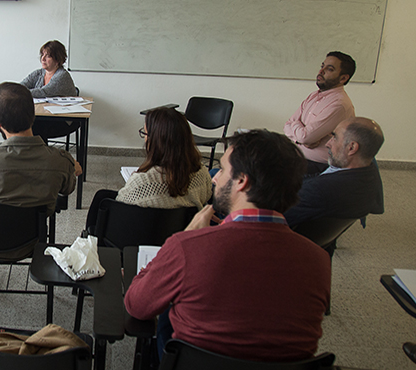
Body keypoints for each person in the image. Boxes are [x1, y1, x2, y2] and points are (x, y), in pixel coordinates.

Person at [124, 130, 331, 363]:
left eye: (222, 169)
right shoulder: (319, 260)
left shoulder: (188, 247)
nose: (215, 178)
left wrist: (185, 238)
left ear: (242, 181)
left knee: (167, 314)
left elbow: (137, 305)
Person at [0, 82, 82, 289]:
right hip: (31, 243)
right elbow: (67, 189)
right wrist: (73, 170)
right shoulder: (60, 162)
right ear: (33, 116)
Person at [84, 107, 212, 233]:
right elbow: (205, 197)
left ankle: (91, 237)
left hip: (134, 241)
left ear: (155, 140)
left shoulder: (142, 182)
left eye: (145, 134)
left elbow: (122, 205)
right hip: (180, 235)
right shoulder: (202, 174)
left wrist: (135, 180)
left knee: (103, 200)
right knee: (103, 195)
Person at [284, 116, 385, 227]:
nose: (328, 143)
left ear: (352, 147)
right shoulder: (370, 175)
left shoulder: (319, 190)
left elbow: (274, 219)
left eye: (335, 138)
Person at [284, 51, 356, 174]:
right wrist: (300, 136)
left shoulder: (339, 104)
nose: (321, 71)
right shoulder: (314, 96)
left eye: (330, 69)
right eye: (322, 66)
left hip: (316, 165)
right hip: (299, 156)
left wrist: (299, 130)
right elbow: (287, 125)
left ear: (343, 78)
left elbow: (306, 137)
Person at [19, 40, 78, 143]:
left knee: (31, 125)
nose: (43, 59)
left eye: (48, 56)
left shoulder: (62, 76)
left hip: (63, 120)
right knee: (19, 122)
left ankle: (39, 155)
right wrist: (4, 91)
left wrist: (17, 92)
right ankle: (32, 155)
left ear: (57, 60)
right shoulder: (39, 73)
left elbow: (43, 92)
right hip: (44, 115)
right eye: (42, 55)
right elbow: (21, 86)